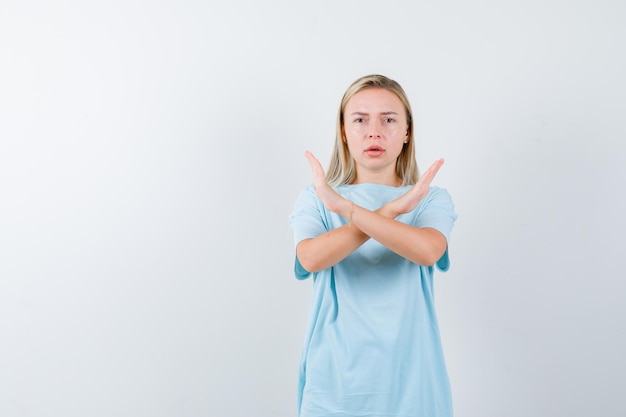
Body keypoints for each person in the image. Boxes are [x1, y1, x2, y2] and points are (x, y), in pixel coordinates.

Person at [288, 74, 458, 417]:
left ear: (407, 131)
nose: (374, 131)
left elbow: (428, 251)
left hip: (413, 388)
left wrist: (348, 210)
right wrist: (390, 211)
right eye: (360, 119)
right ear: (344, 131)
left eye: (389, 120)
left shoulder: (429, 200)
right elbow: (310, 258)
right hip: (332, 389)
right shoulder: (317, 200)